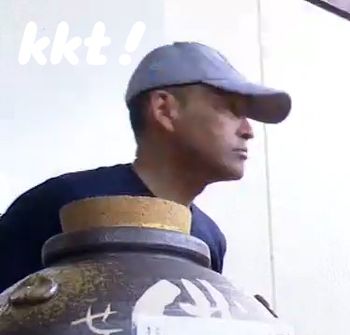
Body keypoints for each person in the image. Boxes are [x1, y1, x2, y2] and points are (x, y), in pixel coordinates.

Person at [0, 41, 291, 291]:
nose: (248, 130)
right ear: (164, 109)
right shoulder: (64, 203)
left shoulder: (208, 237)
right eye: (232, 109)